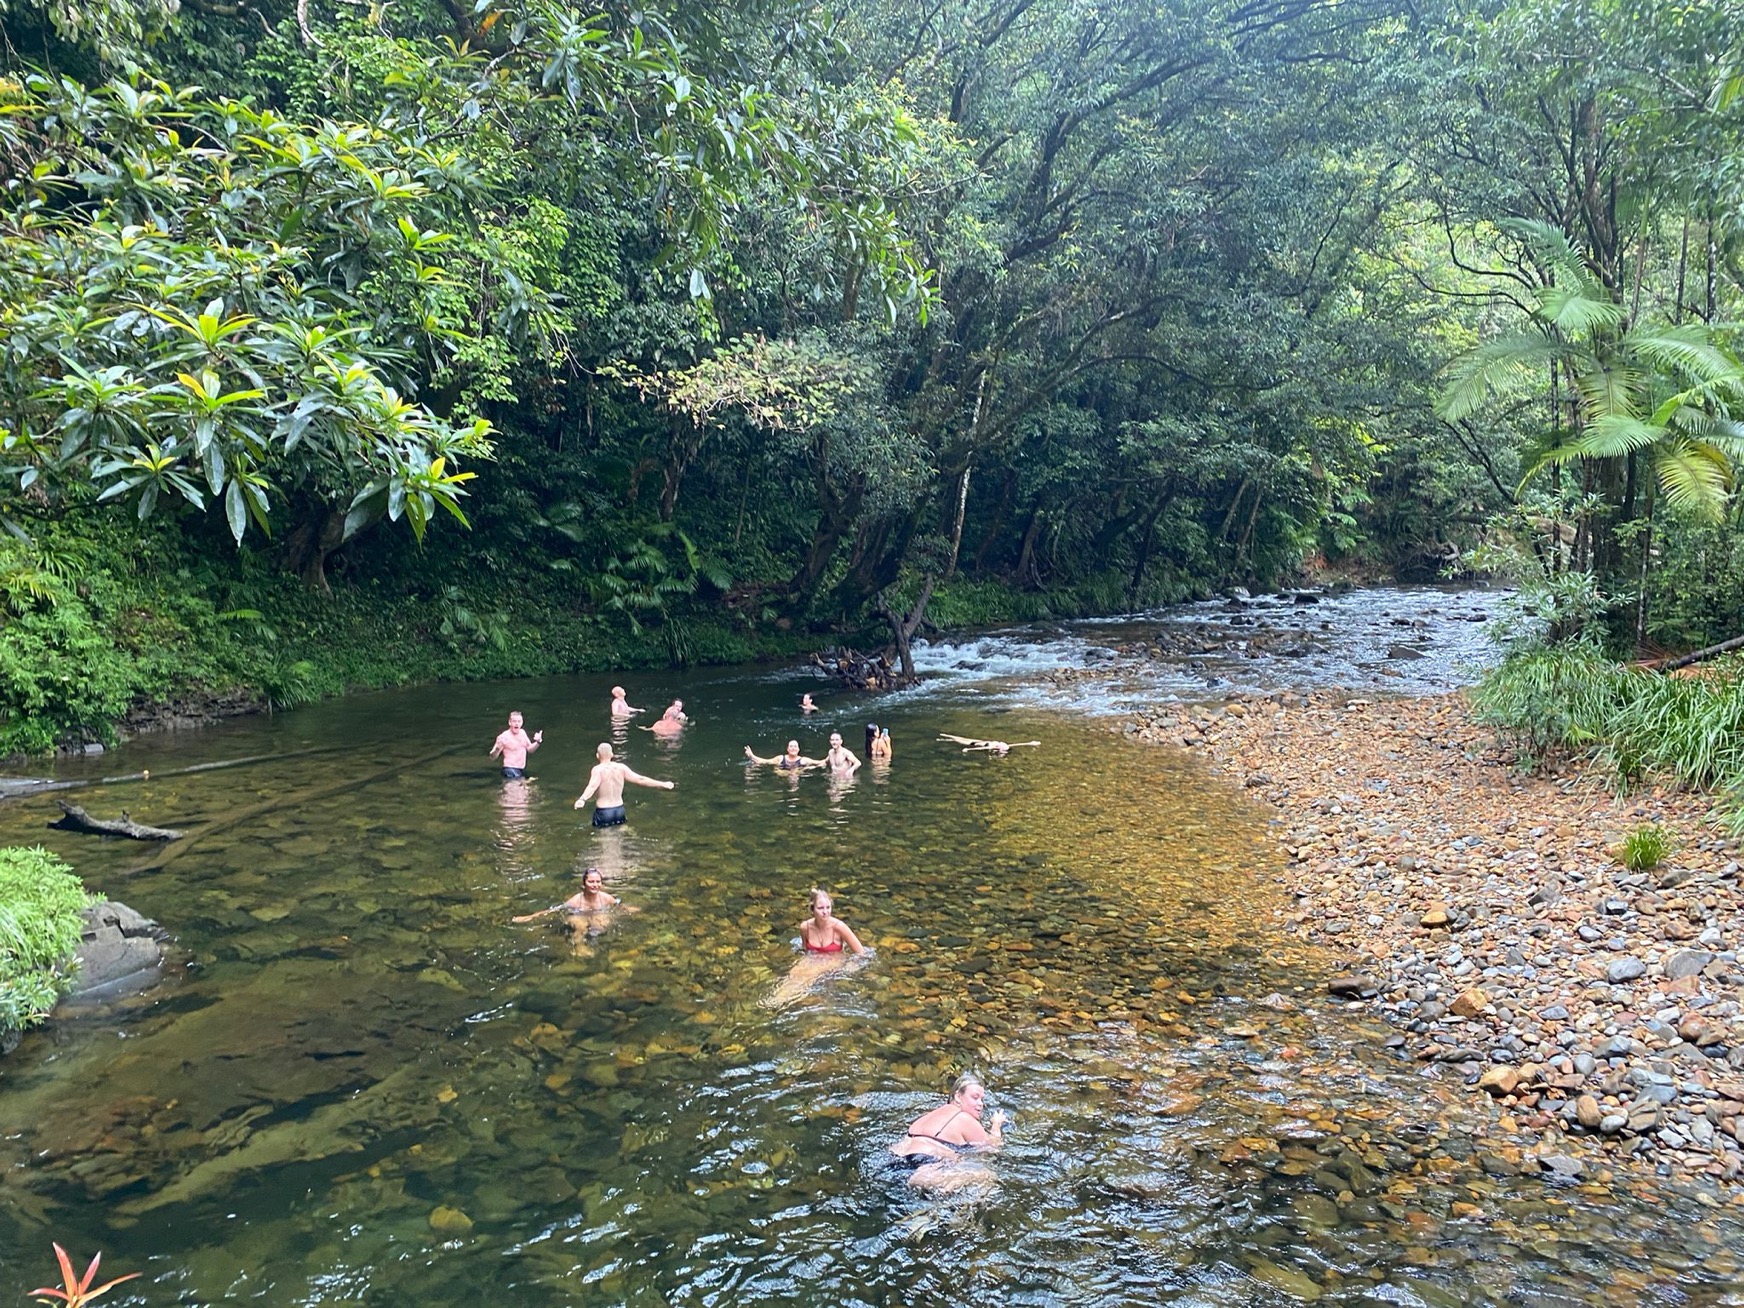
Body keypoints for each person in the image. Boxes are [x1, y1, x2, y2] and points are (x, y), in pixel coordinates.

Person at [890, 1073, 1006, 1186]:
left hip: (897, 1164)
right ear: (958, 1096)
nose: (980, 1104)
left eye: (982, 1099)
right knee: (989, 1176)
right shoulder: (964, 1118)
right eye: (975, 1098)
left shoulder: (928, 1116)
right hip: (929, 1167)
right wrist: (996, 1124)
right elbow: (993, 1147)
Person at [575, 742, 674, 826]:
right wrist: (662, 784)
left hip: (604, 811)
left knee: (605, 840)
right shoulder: (621, 767)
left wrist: (582, 799)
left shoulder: (598, 770)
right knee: (619, 836)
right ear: (612, 754)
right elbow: (640, 779)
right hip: (619, 810)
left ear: (597, 755)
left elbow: (592, 786)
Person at [512, 866, 620, 922]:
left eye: (597, 882)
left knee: (603, 920)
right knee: (577, 922)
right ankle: (580, 945)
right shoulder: (576, 901)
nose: (595, 885)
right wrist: (529, 917)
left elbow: (620, 907)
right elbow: (553, 910)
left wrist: (634, 911)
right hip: (581, 920)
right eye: (591, 882)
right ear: (584, 884)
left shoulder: (606, 898)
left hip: (597, 919)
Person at [799, 887, 866, 955]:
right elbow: (805, 952)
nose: (825, 912)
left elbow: (861, 953)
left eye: (828, 907)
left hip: (835, 962)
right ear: (812, 909)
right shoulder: (805, 927)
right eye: (820, 908)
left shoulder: (840, 927)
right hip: (813, 961)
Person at [488, 711, 543, 779]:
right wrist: (497, 749)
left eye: (519, 721)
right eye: (514, 721)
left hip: (521, 769)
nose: (517, 724)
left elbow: (530, 749)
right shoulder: (503, 737)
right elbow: (492, 757)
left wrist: (538, 742)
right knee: (519, 788)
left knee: (528, 788)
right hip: (509, 769)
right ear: (509, 722)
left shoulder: (522, 733)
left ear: (522, 722)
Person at [744, 740, 823, 771]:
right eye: (791, 746)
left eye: (795, 746)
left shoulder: (804, 760)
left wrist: (833, 754)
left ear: (798, 750)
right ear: (787, 749)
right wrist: (752, 756)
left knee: (807, 768)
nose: (793, 748)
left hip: (797, 775)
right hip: (782, 776)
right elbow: (765, 761)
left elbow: (821, 762)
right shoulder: (780, 759)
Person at [938, 733, 1039, 755]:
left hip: (978, 741)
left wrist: (1030, 743)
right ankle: (943, 736)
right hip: (973, 743)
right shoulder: (992, 746)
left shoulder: (1003, 745)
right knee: (956, 739)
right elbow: (979, 749)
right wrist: (968, 749)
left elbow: (1016, 744)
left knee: (957, 738)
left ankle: (944, 735)